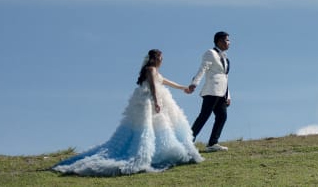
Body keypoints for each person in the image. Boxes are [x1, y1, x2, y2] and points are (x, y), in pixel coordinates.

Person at [52, 49, 202, 175]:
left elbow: (167, 82)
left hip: (156, 100)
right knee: (148, 128)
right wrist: (157, 101)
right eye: (161, 57)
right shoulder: (150, 69)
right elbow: (153, 87)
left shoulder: (155, 71)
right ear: (155, 58)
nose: (162, 60)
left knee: (163, 126)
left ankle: (160, 153)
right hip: (149, 101)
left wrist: (184, 88)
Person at [187, 30, 232, 152]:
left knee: (222, 116)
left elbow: (225, 77)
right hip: (211, 91)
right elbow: (203, 69)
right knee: (204, 116)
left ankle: (212, 143)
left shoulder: (225, 58)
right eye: (227, 40)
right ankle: (188, 142)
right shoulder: (210, 53)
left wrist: (228, 95)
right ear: (219, 41)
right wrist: (194, 83)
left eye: (229, 40)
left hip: (222, 93)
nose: (229, 42)